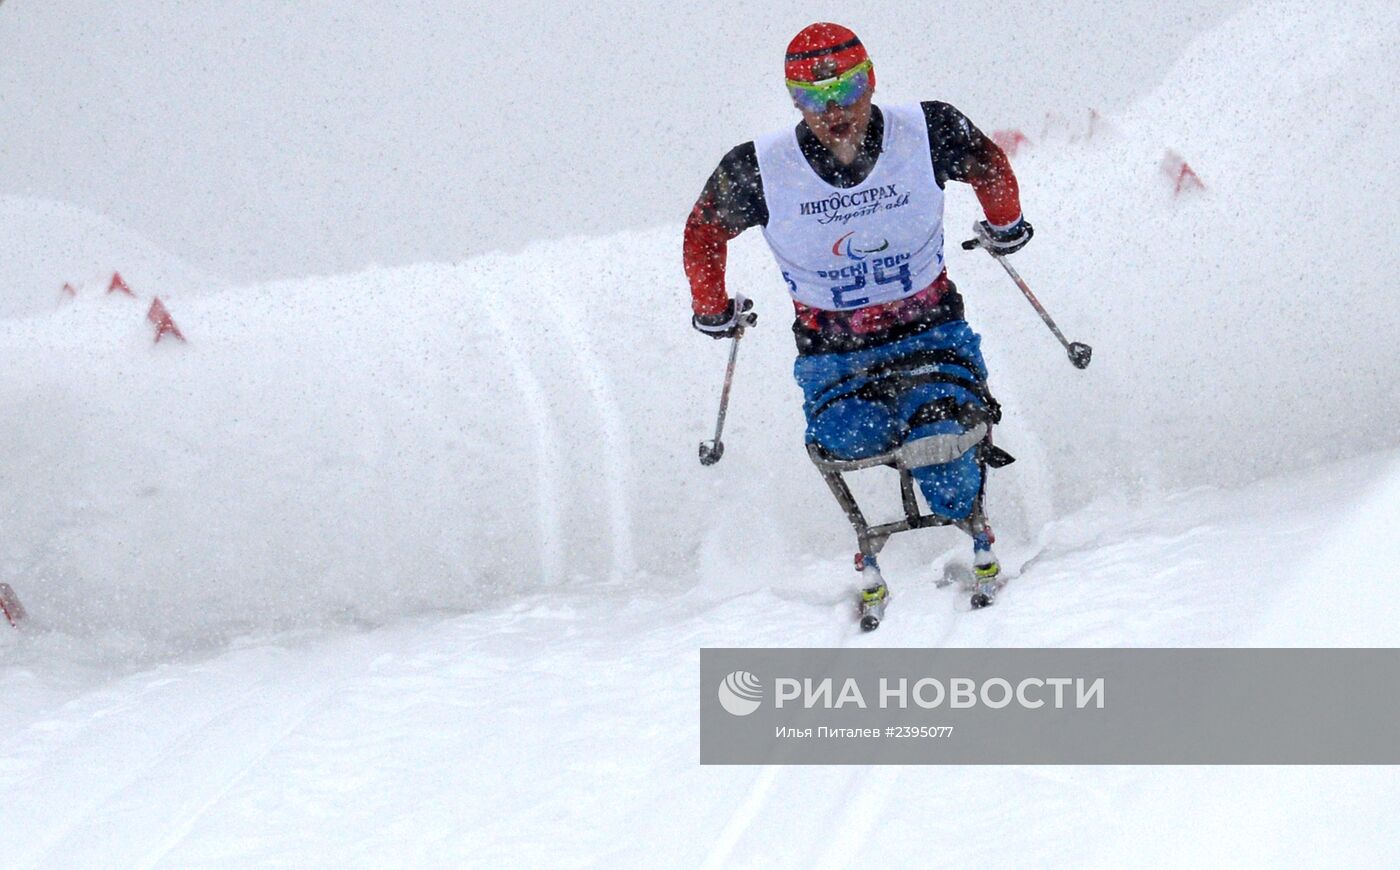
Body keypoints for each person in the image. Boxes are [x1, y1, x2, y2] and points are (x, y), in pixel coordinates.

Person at [683, 22, 1033, 615]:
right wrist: (711, 307)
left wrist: (1005, 222)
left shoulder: (928, 128)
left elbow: (989, 166)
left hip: (933, 335)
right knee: (849, 439)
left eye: (846, 91)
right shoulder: (760, 166)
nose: (833, 112)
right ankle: (880, 531)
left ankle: (967, 515)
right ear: (794, 101)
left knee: (944, 456)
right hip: (833, 357)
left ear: (870, 81)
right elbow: (703, 231)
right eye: (813, 98)